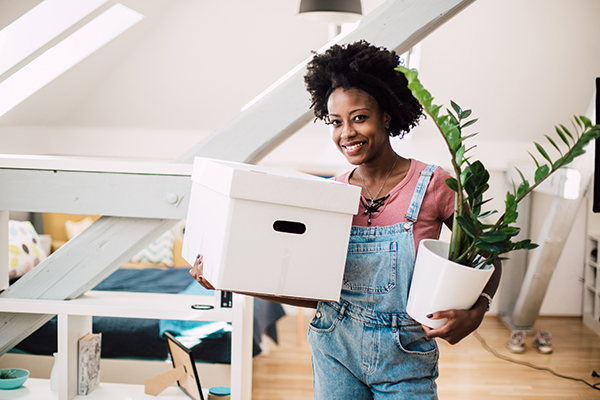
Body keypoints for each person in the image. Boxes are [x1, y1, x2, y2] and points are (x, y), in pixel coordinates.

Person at [190, 40, 502, 399]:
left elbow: (490, 255)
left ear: (386, 116)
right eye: (336, 122)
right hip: (333, 348)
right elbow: (313, 293)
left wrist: (478, 311)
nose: (346, 133)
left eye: (359, 118)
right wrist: (226, 277)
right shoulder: (328, 197)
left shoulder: (434, 185)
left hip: (406, 356)